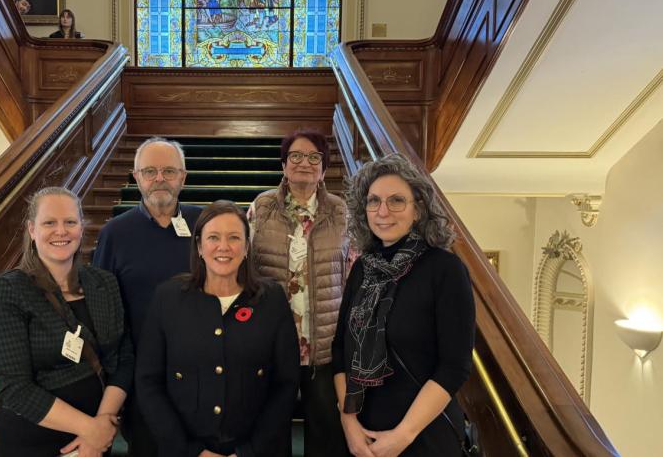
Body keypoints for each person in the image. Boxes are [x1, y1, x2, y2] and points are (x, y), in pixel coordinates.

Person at [331, 154, 475, 457]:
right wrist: (349, 424)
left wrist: (402, 436)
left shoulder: (444, 269)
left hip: (422, 437)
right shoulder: (362, 269)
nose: (383, 211)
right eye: (373, 201)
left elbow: (454, 366)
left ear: (418, 209)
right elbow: (340, 350)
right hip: (363, 436)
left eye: (396, 200)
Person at [136, 200, 300, 457]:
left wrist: (249, 452)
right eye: (213, 237)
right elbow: (148, 382)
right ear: (199, 246)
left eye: (234, 237)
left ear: (246, 247)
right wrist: (191, 452)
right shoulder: (167, 298)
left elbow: (286, 384)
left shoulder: (272, 299)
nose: (223, 247)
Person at [0, 187, 133, 457]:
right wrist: (91, 429)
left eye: (70, 222)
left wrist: (103, 423)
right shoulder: (7, 291)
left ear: (81, 228)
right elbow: (15, 388)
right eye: (49, 222)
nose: (61, 231)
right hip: (32, 441)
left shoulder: (104, 283)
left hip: (98, 436)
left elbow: (124, 358)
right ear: (31, 229)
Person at [92, 137, 203, 456]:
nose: (159, 179)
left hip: (202, 371)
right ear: (136, 176)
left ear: (183, 176)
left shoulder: (204, 225)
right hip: (142, 375)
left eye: (169, 171)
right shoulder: (114, 232)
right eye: (150, 171)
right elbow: (103, 309)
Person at [247, 129, 349, 456]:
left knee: (326, 431)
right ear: (283, 164)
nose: (304, 163)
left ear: (323, 168)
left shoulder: (340, 212)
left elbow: (351, 273)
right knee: (271, 431)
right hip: (273, 343)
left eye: (314, 157)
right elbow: (246, 266)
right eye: (296, 156)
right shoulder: (261, 207)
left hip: (323, 344)